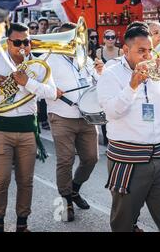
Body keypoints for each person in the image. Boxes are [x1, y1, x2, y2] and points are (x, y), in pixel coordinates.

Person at [97, 23, 160, 232]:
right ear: (125, 50)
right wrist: (132, 86)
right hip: (128, 158)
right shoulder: (111, 74)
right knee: (124, 221)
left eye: (150, 50)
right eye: (141, 51)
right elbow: (112, 112)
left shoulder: (158, 69)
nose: (148, 56)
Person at [0, 22, 57, 232]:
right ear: (8, 42)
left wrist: (28, 82)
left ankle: (22, 224)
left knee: (26, 181)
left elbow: (52, 93)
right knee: (1, 179)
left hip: (27, 129)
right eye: (17, 42)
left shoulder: (37, 64)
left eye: (26, 41)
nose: (23, 46)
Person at [43, 22, 103, 222]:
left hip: (86, 116)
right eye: (67, 37)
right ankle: (66, 198)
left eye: (75, 37)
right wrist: (51, 91)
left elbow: (95, 82)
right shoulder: (47, 59)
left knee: (91, 158)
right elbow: (36, 84)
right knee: (65, 159)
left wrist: (100, 73)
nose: (73, 41)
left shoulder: (84, 59)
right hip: (61, 116)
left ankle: (75, 189)